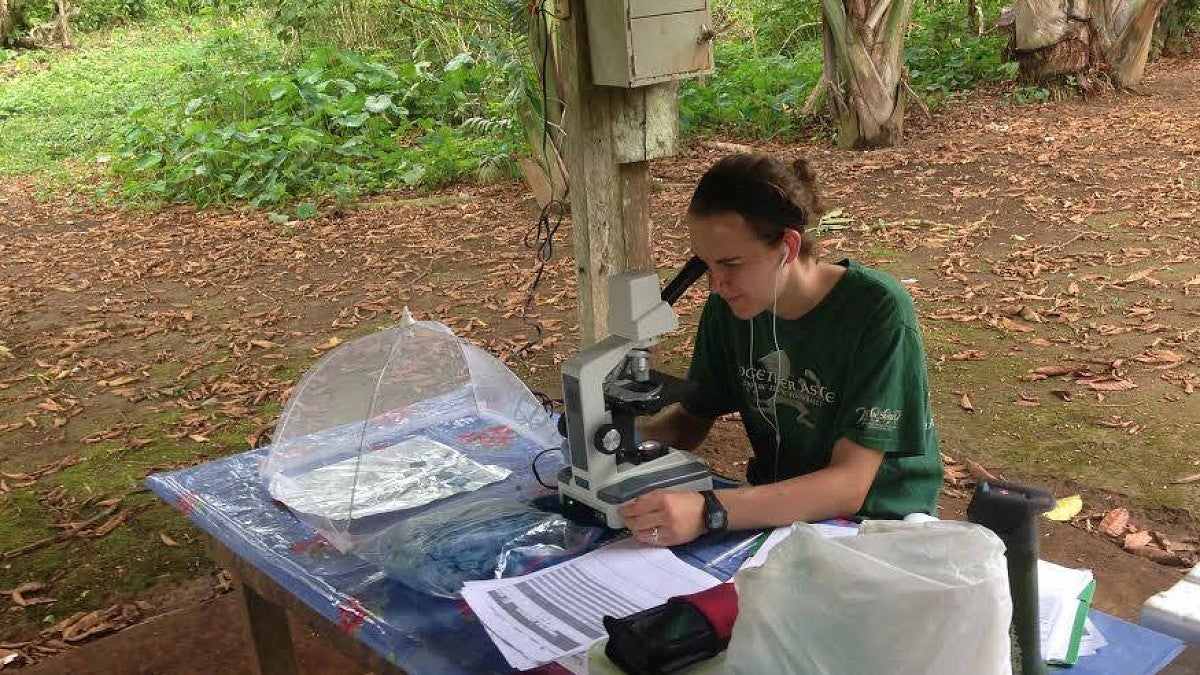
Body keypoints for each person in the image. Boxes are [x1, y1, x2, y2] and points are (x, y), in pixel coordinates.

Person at [619, 153, 942, 547]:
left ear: (788, 246)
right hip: (779, 518)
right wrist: (613, 439)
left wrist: (708, 511)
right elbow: (690, 420)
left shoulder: (876, 310)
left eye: (731, 263)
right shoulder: (730, 309)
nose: (715, 284)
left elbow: (849, 485)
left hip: (876, 525)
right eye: (706, 265)